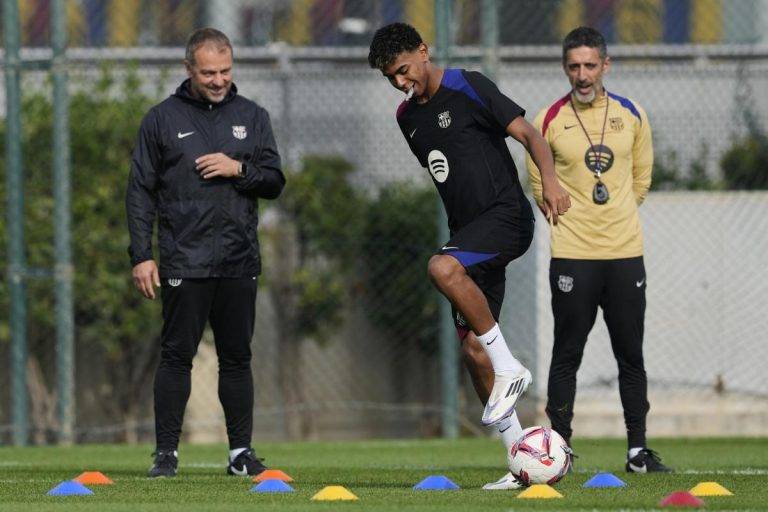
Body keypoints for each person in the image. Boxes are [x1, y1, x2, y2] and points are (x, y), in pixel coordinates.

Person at [368, 23, 571, 489]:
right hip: (470, 237)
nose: (400, 83)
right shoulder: (406, 118)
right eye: (390, 78)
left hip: (506, 219)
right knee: (473, 350)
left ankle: (511, 367)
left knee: (441, 267)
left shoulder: (469, 85)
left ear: (423, 51)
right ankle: (521, 463)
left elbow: (530, 135)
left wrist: (551, 183)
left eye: (403, 70)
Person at [126, 27, 285, 478]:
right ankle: (166, 456)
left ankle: (240, 454)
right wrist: (142, 254)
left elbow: (274, 180)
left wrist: (239, 169)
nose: (218, 80)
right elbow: (140, 191)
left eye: (225, 71)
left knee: (237, 357)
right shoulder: (161, 119)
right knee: (176, 356)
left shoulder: (253, 117)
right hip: (183, 259)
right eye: (208, 72)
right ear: (189, 69)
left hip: (238, 260)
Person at [526, 26, 671, 473]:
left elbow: (642, 179)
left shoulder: (632, 114)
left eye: (590, 65)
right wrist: (578, 222)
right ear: (565, 68)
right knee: (567, 352)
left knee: (632, 353)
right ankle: (559, 451)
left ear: (605, 66)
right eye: (574, 66)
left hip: (626, 253)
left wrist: (614, 216)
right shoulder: (548, 119)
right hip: (573, 254)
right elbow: (538, 183)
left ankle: (637, 452)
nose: (582, 75)